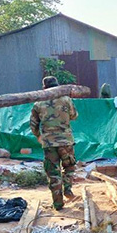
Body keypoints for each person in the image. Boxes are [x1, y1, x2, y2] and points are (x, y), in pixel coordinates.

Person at [30, 76, 78, 210]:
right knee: (69, 167)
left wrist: (39, 136)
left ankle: (58, 204)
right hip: (66, 141)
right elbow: (74, 116)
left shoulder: (39, 103)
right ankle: (68, 189)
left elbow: (33, 124)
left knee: (53, 174)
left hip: (49, 143)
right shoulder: (66, 100)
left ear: (44, 87)